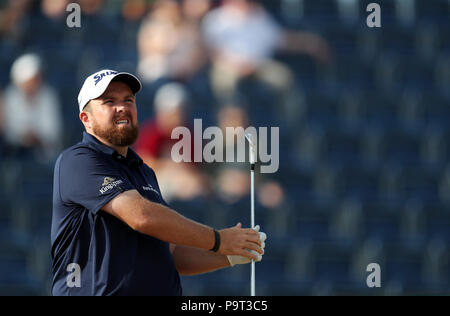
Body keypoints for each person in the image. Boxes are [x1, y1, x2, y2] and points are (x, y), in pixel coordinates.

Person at [50, 69, 267, 296]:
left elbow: (171, 253)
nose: (122, 107)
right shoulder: (77, 160)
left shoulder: (144, 171)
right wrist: (219, 239)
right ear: (87, 119)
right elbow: (141, 216)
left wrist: (231, 253)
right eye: (109, 102)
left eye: (128, 100)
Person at [1, 53, 62, 161]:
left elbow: (52, 130)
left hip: (43, 153)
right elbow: (10, 131)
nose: (33, 83)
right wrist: (23, 136)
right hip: (15, 151)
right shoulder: (11, 96)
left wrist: (36, 136)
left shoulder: (48, 95)